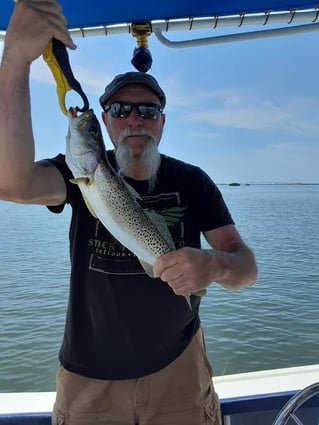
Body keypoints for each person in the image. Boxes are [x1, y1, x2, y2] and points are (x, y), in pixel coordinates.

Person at [0, 1, 258, 424]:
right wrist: (14, 62)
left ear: (161, 121)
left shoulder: (193, 181)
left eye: (147, 110)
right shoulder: (78, 173)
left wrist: (212, 265)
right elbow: (11, 183)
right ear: (105, 119)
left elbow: (246, 268)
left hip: (180, 370)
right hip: (89, 380)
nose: (134, 119)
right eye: (120, 110)